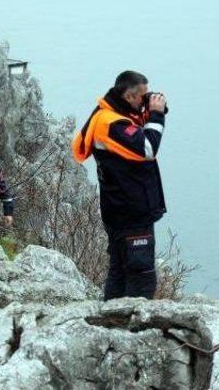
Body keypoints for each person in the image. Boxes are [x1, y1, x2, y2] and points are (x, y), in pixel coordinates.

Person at [72, 70, 168, 300]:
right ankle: (130, 330)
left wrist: (154, 110)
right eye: (143, 97)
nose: (146, 101)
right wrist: (156, 116)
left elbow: (133, 127)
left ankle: (111, 323)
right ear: (128, 96)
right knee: (141, 275)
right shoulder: (110, 123)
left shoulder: (111, 114)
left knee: (120, 270)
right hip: (131, 212)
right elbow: (147, 148)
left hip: (119, 210)